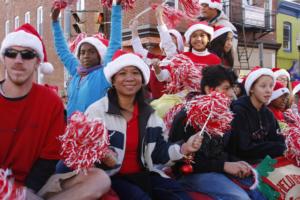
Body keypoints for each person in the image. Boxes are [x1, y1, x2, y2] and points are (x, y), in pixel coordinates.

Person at [0, 23, 110, 200]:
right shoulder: (76, 76)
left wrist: (26, 192)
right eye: (11, 53)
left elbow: (49, 157)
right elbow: (63, 51)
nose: (18, 60)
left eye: (27, 54)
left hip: (34, 185)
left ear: (38, 61)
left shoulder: (51, 101)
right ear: (4, 59)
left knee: (100, 179)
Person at [85, 49, 202, 200]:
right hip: (110, 178)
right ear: (113, 80)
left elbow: (159, 153)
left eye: (135, 72)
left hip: (145, 175)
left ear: (142, 79)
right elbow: (83, 153)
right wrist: (102, 156)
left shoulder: (151, 115)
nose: (129, 78)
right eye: (122, 73)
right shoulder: (96, 111)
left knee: (181, 197)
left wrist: (185, 147)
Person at [168, 65, 265, 200]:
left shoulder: (226, 115)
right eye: (226, 88)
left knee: (259, 190)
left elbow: (227, 150)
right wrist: (224, 165)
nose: (231, 93)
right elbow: (182, 162)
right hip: (191, 174)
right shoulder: (188, 116)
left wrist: (239, 164)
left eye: (232, 88)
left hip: (217, 169)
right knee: (240, 198)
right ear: (209, 89)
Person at [51, 0, 122, 117]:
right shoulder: (76, 72)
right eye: (82, 52)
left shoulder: (103, 73)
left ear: (99, 55)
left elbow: (115, 43)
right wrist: (55, 22)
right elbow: (62, 51)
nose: (86, 55)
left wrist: (116, 7)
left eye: (91, 52)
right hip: (71, 131)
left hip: (94, 132)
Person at [228, 67, 286, 164]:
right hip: (243, 164)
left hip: (265, 160)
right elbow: (244, 148)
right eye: (263, 86)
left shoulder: (268, 114)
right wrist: (276, 148)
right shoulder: (239, 111)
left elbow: (278, 139)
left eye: (271, 86)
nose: (268, 90)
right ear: (251, 89)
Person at [129, 5, 184, 99]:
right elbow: (139, 51)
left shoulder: (179, 60)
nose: (169, 39)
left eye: (173, 38)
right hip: (155, 103)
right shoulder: (158, 59)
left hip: (172, 105)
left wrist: (159, 18)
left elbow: (168, 44)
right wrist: (134, 30)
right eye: (168, 36)